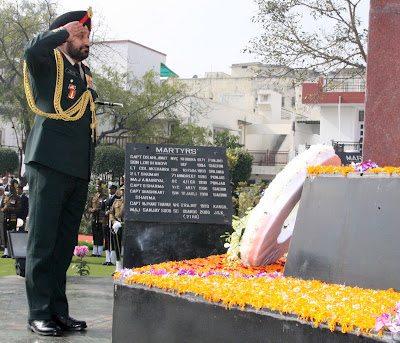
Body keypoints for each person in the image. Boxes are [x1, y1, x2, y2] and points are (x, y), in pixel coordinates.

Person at [23, 7, 97, 336]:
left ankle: (57, 310)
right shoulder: (47, 65)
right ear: (65, 36)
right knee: (42, 242)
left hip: (77, 169)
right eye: (80, 35)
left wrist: (86, 169)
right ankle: (38, 312)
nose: (87, 42)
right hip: (49, 163)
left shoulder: (85, 74)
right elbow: (32, 50)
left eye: (87, 36)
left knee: (64, 245)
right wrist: (61, 33)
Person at [1, 179, 21, 258]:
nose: (9, 188)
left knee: (11, 233)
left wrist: (9, 208)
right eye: (9, 186)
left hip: (12, 217)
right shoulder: (6, 196)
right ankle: (6, 251)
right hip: (5, 217)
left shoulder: (17, 197)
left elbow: (18, 209)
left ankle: (11, 251)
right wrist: (4, 209)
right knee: (4, 233)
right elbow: (2, 207)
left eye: (11, 186)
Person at [102, 184, 119, 266]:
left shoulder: (117, 199)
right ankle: (107, 259)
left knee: (112, 240)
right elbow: (102, 209)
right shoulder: (105, 198)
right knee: (107, 240)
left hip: (113, 221)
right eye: (109, 188)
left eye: (112, 189)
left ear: (115, 190)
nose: (110, 190)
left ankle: (112, 260)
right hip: (106, 221)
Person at [89, 180, 106, 257]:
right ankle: (94, 251)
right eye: (96, 186)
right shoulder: (93, 196)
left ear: (102, 187)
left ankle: (99, 252)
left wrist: (98, 209)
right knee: (95, 233)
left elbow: (105, 208)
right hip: (94, 217)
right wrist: (91, 210)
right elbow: (89, 206)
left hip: (101, 217)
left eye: (99, 186)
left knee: (100, 234)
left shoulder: (105, 197)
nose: (97, 188)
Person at [110, 185, 124, 275]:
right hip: (117, 225)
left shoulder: (131, 202)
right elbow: (111, 213)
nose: (123, 192)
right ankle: (118, 268)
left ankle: (127, 267)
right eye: (122, 190)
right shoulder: (116, 202)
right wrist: (114, 222)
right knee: (117, 246)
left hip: (125, 225)